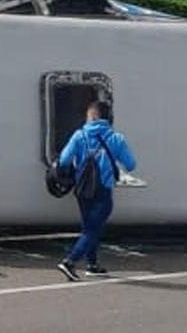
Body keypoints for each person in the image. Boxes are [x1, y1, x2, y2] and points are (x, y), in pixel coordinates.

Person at [56, 100, 137, 282]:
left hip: (82, 189)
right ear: (105, 117)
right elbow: (131, 165)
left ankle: (92, 264)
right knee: (93, 229)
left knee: (89, 227)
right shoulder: (116, 139)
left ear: (92, 116)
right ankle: (70, 262)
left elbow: (64, 161)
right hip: (103, 190)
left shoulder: (79, 136)